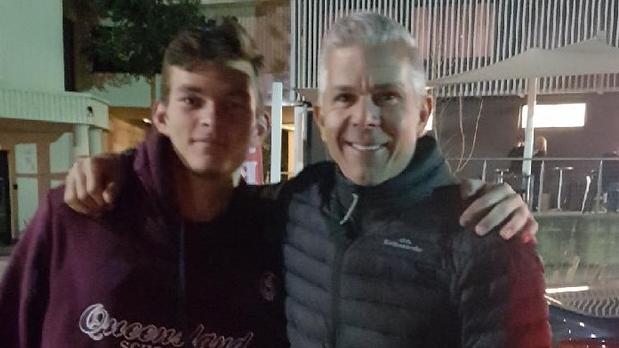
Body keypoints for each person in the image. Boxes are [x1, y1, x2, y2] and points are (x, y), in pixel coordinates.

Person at [60, 14, 541, 348]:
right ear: (322, 113)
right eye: (345, 97)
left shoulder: (484, 237)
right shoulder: (298, 201)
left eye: (387, 96)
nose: (364, 118)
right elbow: (200, 196)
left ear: (424, 110)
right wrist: (123, 169)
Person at [0, 19, 288, 347]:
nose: (212, 119)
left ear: (258, 127)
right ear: (161, 117)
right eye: (192, 101)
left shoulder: (274, 237)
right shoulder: (77, 213)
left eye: (233, 104)